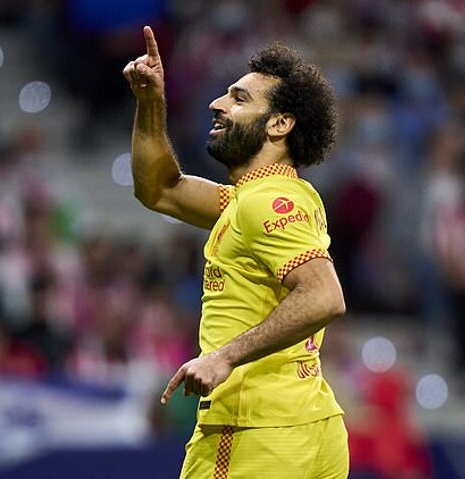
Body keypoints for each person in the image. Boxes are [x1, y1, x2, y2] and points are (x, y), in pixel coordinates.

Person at [123, 26, 348, 478]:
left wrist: (223, 356)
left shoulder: (264, 202)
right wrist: (150, 102)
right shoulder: (268, 197)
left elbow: (324, 296)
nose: (217, 103)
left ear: (280, 124)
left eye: (239, 99)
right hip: (306, 427)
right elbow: (160, 189)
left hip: (251, 431)